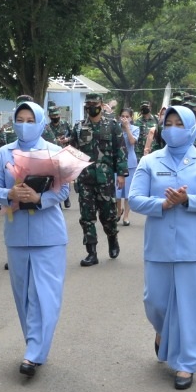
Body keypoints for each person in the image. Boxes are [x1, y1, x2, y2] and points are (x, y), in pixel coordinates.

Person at [128, 105, 196, 389]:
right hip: (159, 246)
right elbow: (134, 199)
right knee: (155, 302)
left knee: (193, 308)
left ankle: (187, 364)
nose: (172, 128)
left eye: (179, 123)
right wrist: (163, 204)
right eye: (168, 123)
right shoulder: (150, 162)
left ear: (192, 127)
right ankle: (162, 333)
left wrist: (188, 200)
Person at [0, 101, 72, 377]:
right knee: (23, 297)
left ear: (41, 122)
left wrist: (40, 198)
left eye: (30, 119)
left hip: (48, 235)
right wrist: (9, 195)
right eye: (19, 119)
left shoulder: (56, 152)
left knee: (45, 296)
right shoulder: (4, 152)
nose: (24, 124)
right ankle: (34, 345)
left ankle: (34, 353)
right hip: (16, 234)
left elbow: (63, 191)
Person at [72, 92, 127, 266]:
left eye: (94, 104)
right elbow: (72, 152)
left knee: (108, 216)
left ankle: (112, 238)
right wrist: (72, 175)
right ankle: (91, 253)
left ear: (101, 105)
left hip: (106, 180)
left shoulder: (112, 126)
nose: (91, 107)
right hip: (85, 179)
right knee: (86, 217)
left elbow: (121, 150)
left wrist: (121, 174)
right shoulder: (79, 127)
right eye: (88, 105)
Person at [43, 104, 74, 208]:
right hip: (53, 155)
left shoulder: (66, 124)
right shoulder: (47, 127)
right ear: (49, 116)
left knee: (65, 176)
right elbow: (46, 140)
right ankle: (58, 200)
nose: (55, 117)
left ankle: (66, 197)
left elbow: (73, 135)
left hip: (65, 152)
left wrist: (67, 139)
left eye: (56, 115)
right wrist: (56, 141)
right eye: (53, 115)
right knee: (55, 177)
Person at [116, 108, 141, 226]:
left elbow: (132, 142)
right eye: (122, 116)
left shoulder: (135, 129)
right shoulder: (115, 128)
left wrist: (127, 128)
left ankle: (126, 216)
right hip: (116, 162)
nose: (124, 118)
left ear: (131, 118)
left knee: (128, 192)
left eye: (127, 116)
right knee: (116, 190)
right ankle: (118, 210)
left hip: (130, 162)